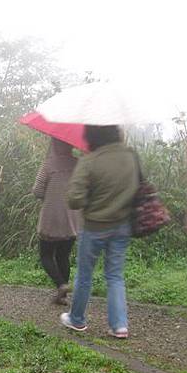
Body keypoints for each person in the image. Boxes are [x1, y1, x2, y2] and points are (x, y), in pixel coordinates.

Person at [60, 125, 139, 339]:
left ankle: (76, 319)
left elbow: (74, 199)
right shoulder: (130, 156)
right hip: (122, 225)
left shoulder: (89, 160)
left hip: (94, 226)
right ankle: (119, 325)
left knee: (85, 274)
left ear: (91, 135)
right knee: (115, 275)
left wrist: (92, 198)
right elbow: (137, 187)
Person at [32, 139, 81, 305]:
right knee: (63, 256)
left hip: (51, 218)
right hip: (73, 219)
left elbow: (37, 191)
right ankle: (62, 296)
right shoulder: (78, 164)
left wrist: (50, 194)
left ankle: (61, 285)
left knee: (46, 255)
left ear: (55, 144)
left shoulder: (49, 165)